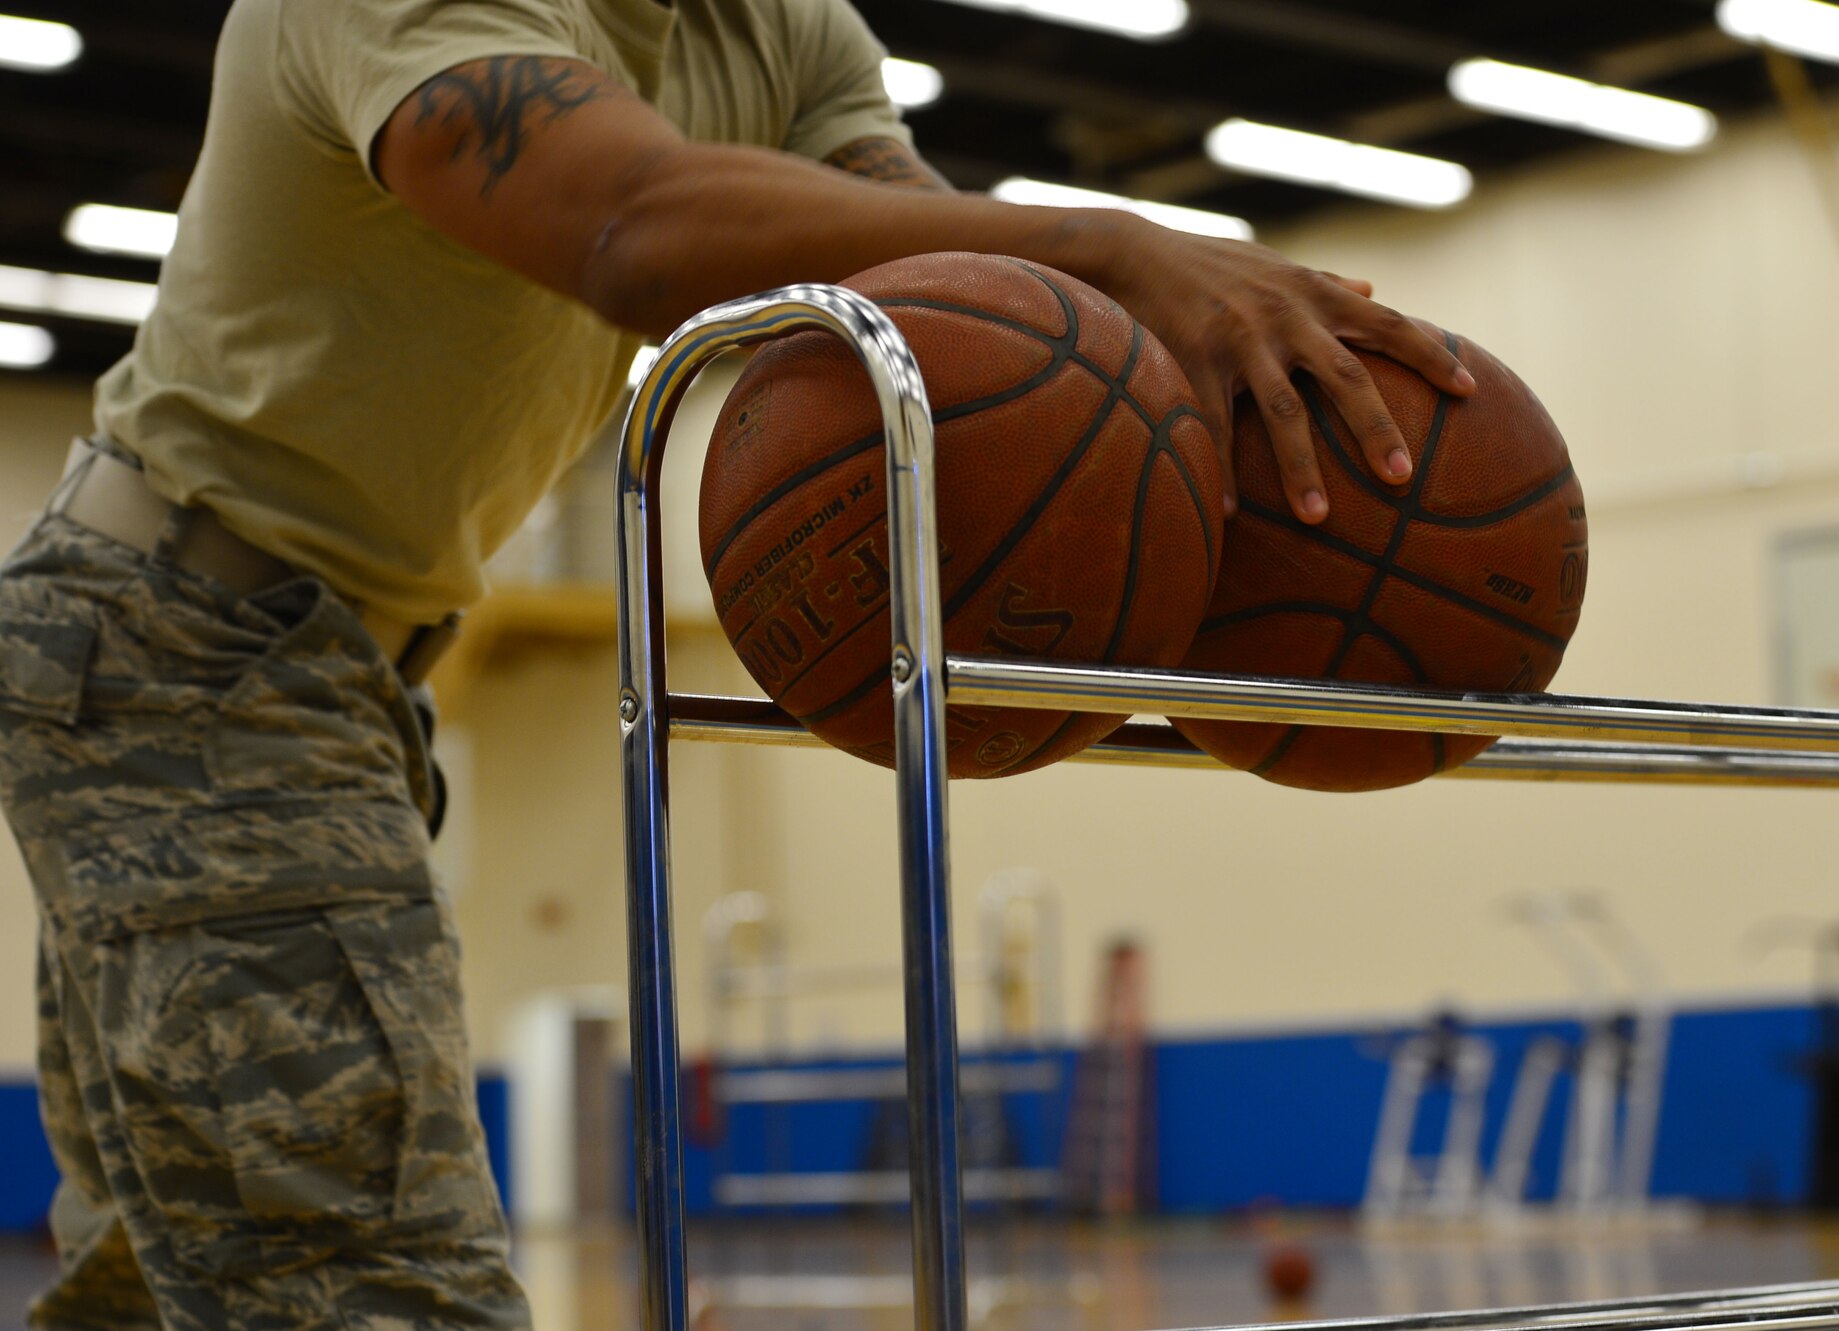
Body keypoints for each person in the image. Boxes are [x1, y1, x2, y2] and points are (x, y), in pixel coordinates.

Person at [0, 0, 1473, 1326]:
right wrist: (1112, 244)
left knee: (163, 1286)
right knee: (375, 1291)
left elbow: (937, 294)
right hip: (187, 638)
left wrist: (1180, 494)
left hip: (316, 663)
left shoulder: (790, 30)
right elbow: (627, 221)